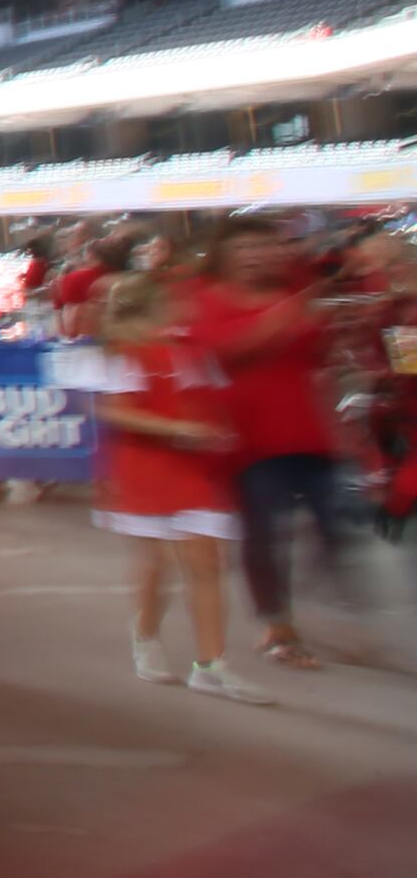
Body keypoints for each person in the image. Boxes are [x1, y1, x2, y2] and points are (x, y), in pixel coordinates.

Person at [89, 274, 273, 703]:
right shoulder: (123, 354)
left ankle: (211, 666)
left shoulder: (193, 349)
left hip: (195, 469)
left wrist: (218, 431)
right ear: (154, 305)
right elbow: (116, 412)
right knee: (156, 566)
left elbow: (215, 398)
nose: (187, 303)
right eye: (176, 298)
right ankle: (145, 632)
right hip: (145, 469)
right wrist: (179, 428)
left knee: (206, 560)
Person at [176, 214, 347, 669]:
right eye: (246, 249)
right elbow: (223, 350)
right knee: (264, 536)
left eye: (267, 247)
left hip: (308, 430)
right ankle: (277, 623)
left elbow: (317, 352)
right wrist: (289, 315)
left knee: (338, 523)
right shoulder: (207, 297)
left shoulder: (293, 289)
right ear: (226, 255)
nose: (258, 257)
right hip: (248, 438)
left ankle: (319, 602)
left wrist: (334, 324)